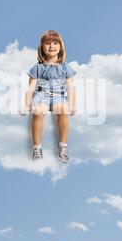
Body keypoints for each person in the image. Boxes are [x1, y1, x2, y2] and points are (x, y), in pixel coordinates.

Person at [21, 30, 76, 163]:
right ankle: (37, 148)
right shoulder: (38, 68)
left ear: (60, 47)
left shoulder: (65, 67)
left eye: (55, 43)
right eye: (48, 43)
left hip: (59, 96)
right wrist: (27, 104)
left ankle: (63, 146)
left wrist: (72, 105)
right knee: (38, 112)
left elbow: (71, 87)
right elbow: (30, 88)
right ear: (42, 47)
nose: (51, 46)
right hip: (42, 96)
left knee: (62, 110)